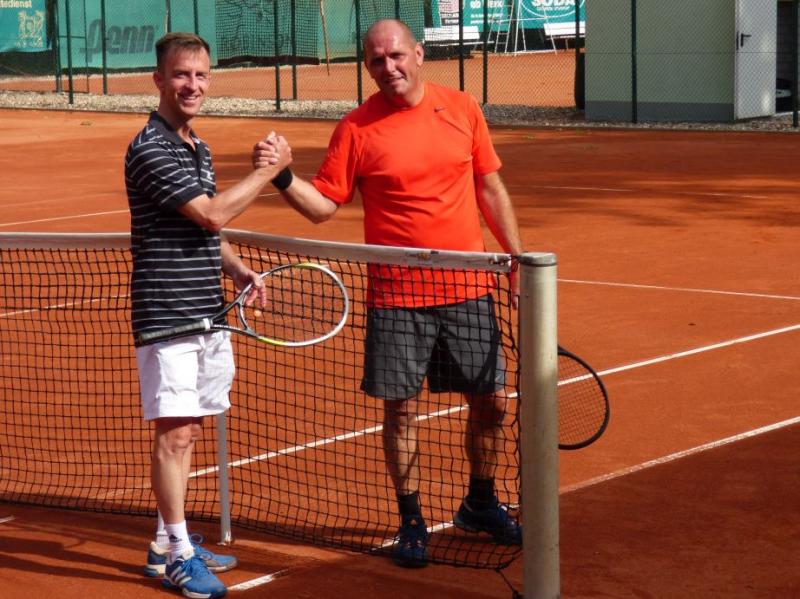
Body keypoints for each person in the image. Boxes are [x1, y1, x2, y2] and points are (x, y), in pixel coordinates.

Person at [257, 19, 523, 568]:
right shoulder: (356, 128)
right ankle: (412, 520)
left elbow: (489, 187)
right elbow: (323, 207)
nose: (389, 67)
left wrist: (514, 258)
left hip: (469, 287)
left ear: (419, 54)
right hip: (397, 296)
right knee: (401, 411)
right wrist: (282, 176)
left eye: (396, 55)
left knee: (493, 403)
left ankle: (479, 502)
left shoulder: (462, 107)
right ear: (368, 66)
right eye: (377, 60)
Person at [125, 32, 291, 598]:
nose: (191, 85)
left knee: (191, 429)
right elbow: (214, 214)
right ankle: (180, 555)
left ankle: (164, 545)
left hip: (206, 311)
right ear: (159, 80)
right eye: (180, 74)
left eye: (200, 75)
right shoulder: (150, 147)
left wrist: (238, 270)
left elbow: (208, 233)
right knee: (174, 435)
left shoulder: (197, 146)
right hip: (168, 313)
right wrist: (269, 172)